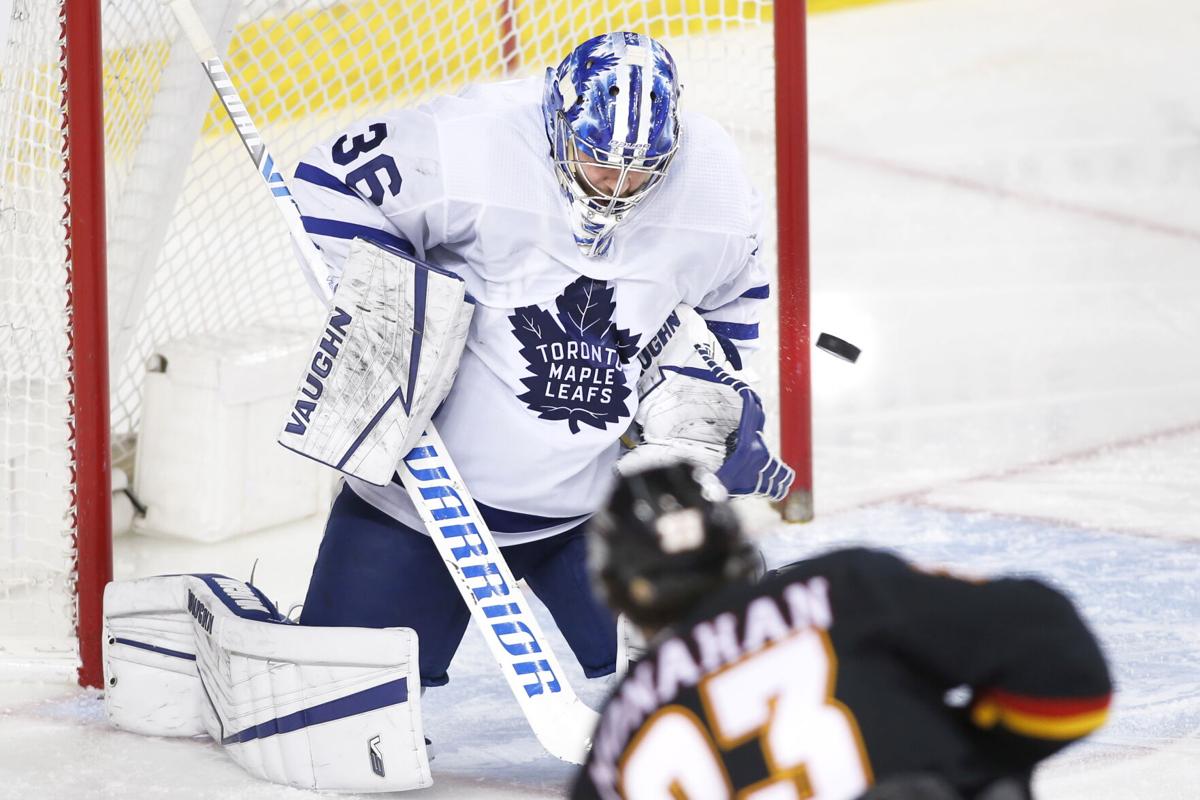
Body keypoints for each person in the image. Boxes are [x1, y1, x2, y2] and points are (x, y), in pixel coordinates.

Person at [287, 32, 792, 690]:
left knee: (715, 680)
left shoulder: (713, 182)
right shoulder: (470, 140)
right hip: (417, 507)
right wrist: (400, 317)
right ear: (558, 119)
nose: (617, 186)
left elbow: (737, 298)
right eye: (599, 160)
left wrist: (712, 392)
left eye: (640, 168)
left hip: (597, 512)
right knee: (337, 704)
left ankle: (725, 594)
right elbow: (326, 184)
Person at [574, 463, 1113, 800]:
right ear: (735, 549)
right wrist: (972, 753)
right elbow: (1063, 664)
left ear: (618, 589)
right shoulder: (841, 589)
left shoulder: (619, 733)